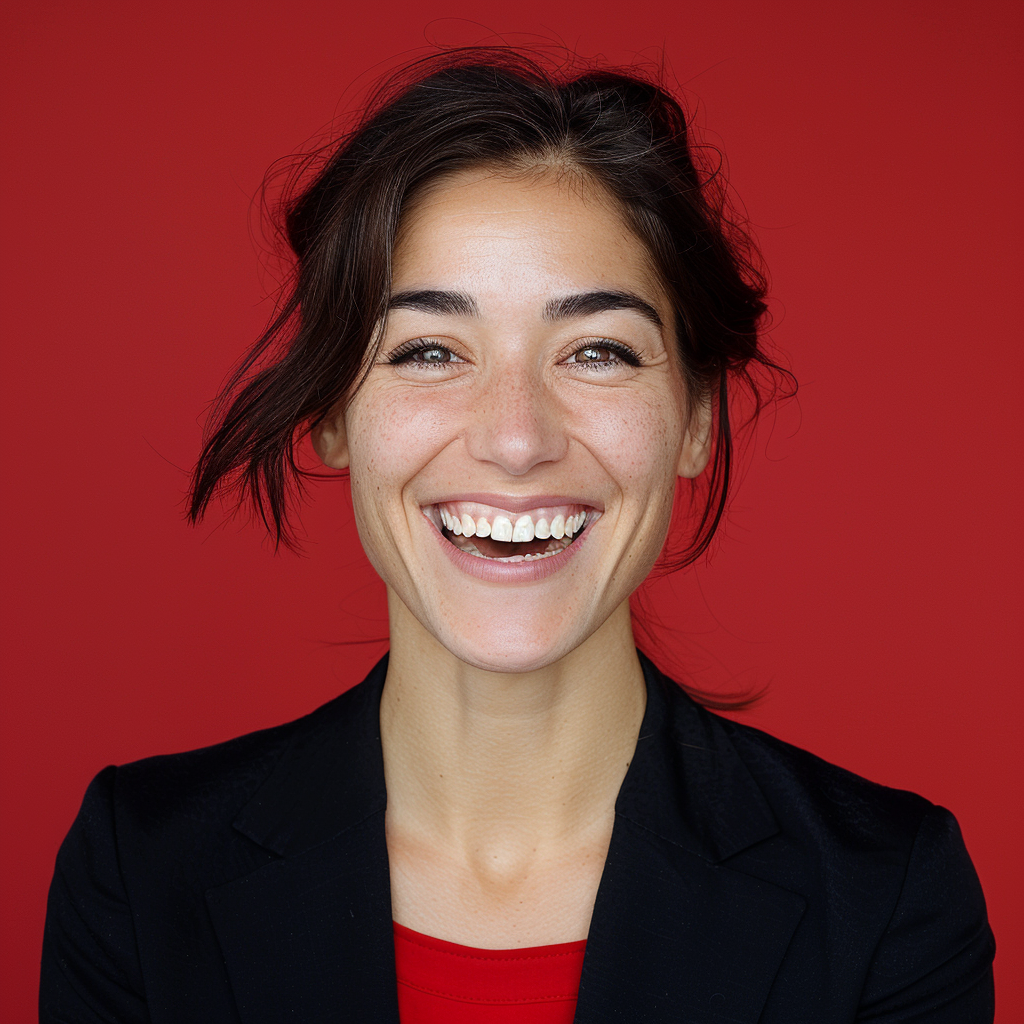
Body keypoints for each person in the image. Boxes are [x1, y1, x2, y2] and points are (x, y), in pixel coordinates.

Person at [40, 49, 995, 1023]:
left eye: (595, 350)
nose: (514, 438)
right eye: (427, 350)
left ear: (696, 416)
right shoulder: (140, 872)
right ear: (332, 408)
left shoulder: (886, 897)